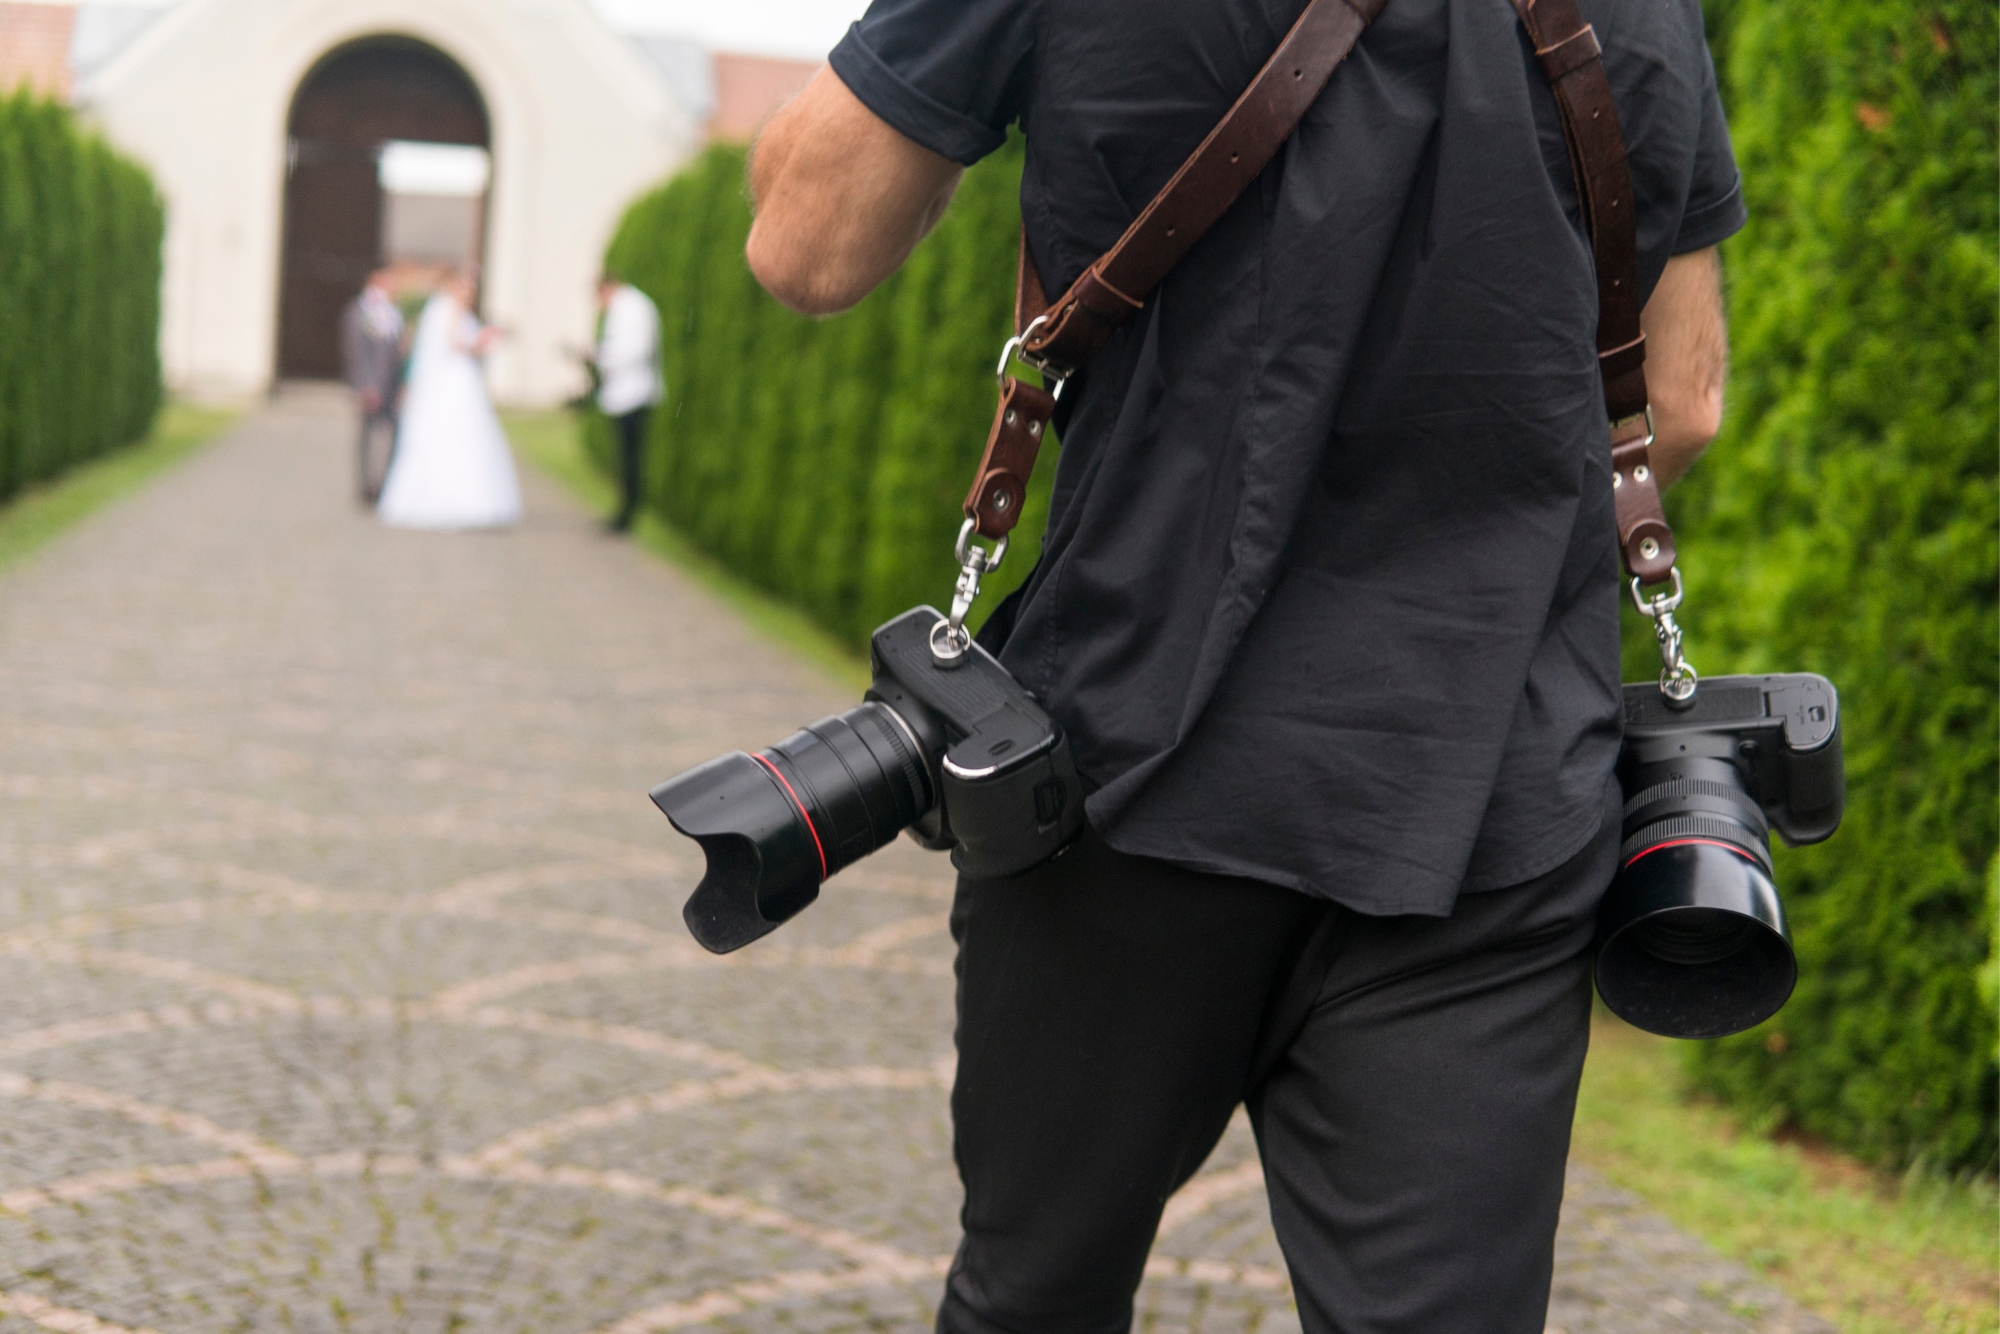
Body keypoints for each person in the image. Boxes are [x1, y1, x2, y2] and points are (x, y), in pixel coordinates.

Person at [746, 0, 1741, 1329]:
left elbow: (806, 245)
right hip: (1488, 805)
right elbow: (1679, 401)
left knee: (1031, 1299)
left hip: (1121, 775)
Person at [376, 270, 523, 531]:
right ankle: (451, 499)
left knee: (468, 437)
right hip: (453, 381)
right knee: (452, 435)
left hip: (460, 381)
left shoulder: (446, 310)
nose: (469, 294)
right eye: (466, 288)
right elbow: (455, 344)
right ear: (455, 287)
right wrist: (480, 341)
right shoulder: (449, 309)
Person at [591, 272, 663, 533]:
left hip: (634, 394)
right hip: (624, 394)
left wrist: (602, 357)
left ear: (606, 289)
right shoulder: (627, 306)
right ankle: (623, 511)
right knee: (625, 456)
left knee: (630, 457)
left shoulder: (633, 307)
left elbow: (637, 350)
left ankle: (628, 514)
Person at [339, 270, 404, 504]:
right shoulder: (359, 312)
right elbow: (356, 353)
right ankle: (365, 487)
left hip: (390, 388)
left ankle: (384, 483)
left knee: (393, 435)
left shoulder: (393, 312)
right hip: (370, 388)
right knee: (366, 437)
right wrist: (366, 386)